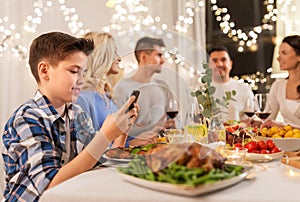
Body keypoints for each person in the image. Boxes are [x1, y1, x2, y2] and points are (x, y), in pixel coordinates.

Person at [1, 32, 138, 201]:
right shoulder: (27, 119)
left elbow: (104, 161)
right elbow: (48, 185)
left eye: (84, 72)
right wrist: (106, 134)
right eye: (74, 71)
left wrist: (121, 131)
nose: (81, 80)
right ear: (45, 71)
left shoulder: (77, 114)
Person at [113, 36, 176, 143]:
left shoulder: (163, 87)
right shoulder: (122, 88)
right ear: (143, 56)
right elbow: (117, 127)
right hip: (135, 150)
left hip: (161, 146)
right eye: (159, 55)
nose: (163, 60)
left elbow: (170, 122)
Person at [208, 45, 255, 121]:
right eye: (214, 61)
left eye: (223, 60)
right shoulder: (202, 90)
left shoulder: (244, 89)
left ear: (230, 64)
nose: (219, 64)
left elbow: (253, 119)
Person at [268, 35, 300, 126]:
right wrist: (253, 122)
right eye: (279, 53)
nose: (278, 58)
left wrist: (284, 126)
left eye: (284, 53)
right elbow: (267, 118)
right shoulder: (278, 86)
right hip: (287, 140)